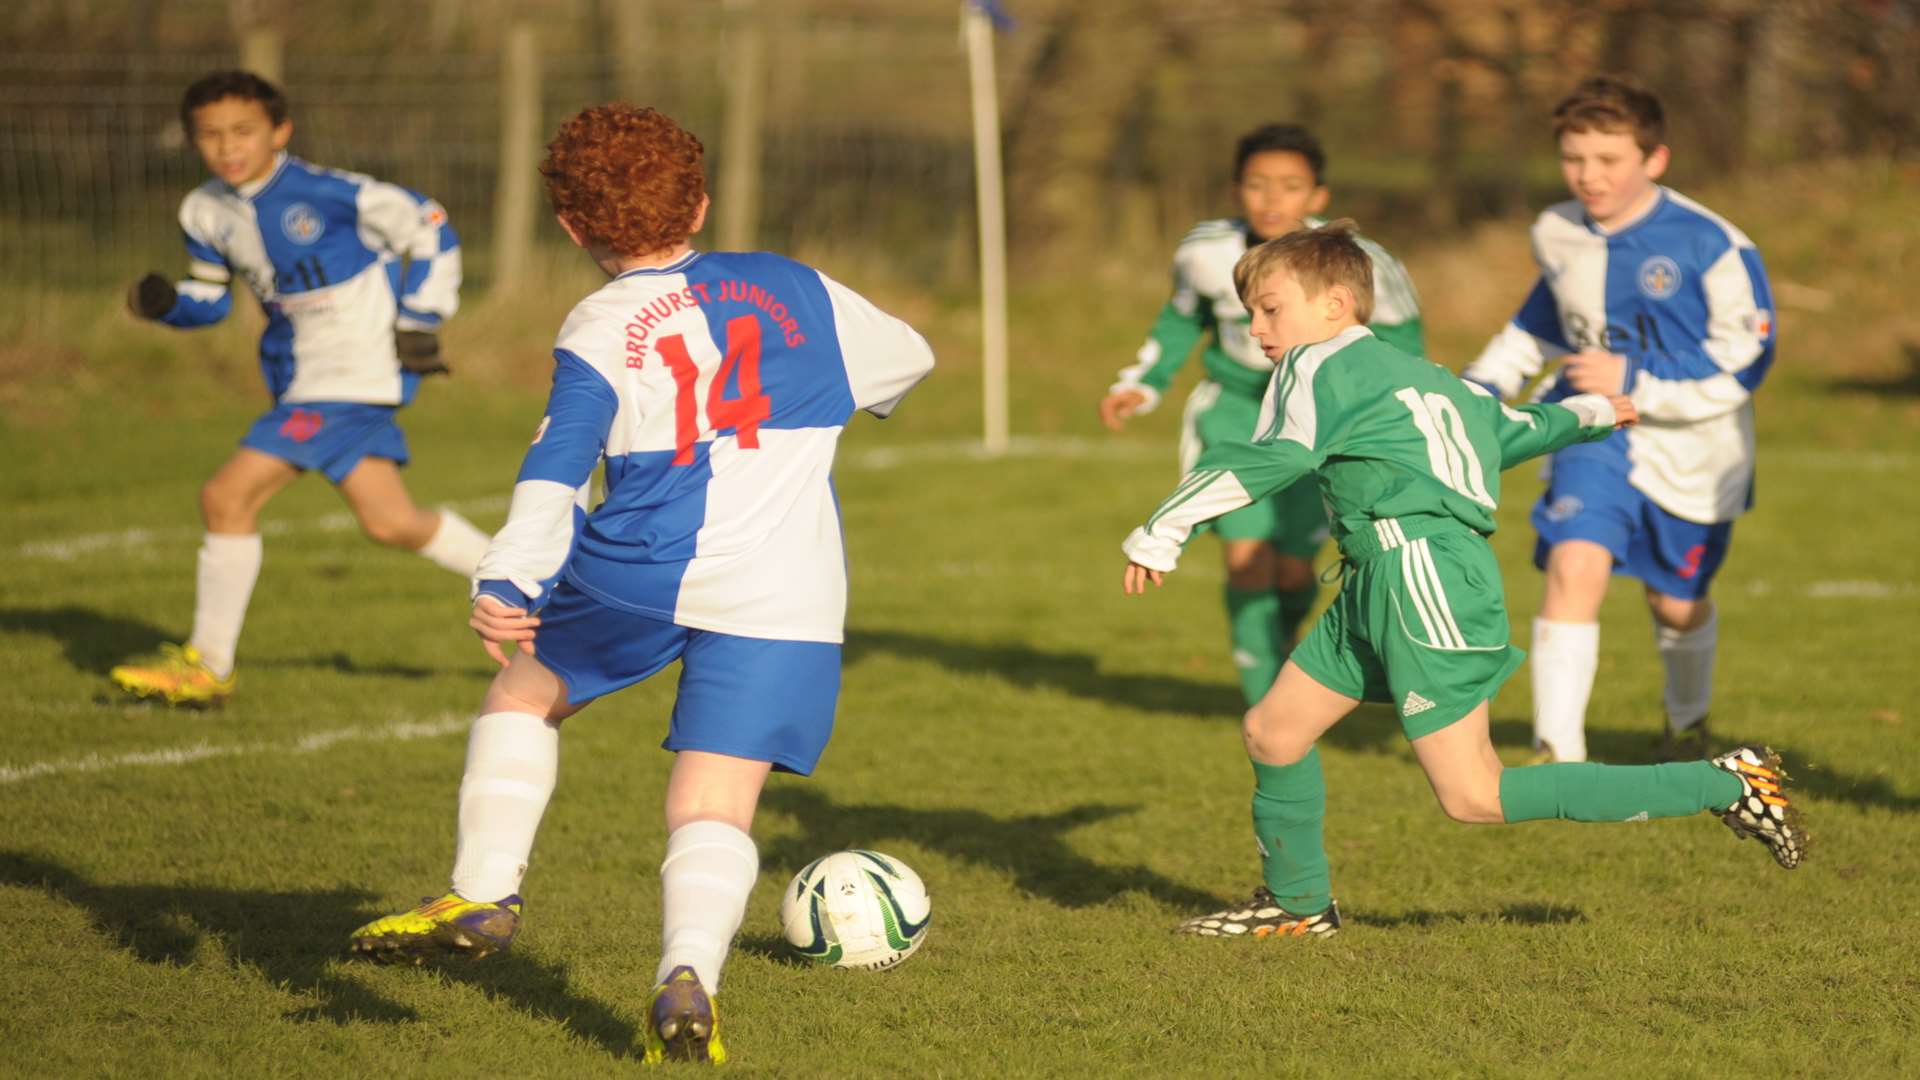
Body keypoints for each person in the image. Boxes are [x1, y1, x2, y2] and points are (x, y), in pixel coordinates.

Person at [346, 104, 935, 1065]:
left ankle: (487, 890)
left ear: (572, 228)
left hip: (640, 571)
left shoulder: (600, 322)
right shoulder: (797, 286)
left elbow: (559, 463)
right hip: (787, 596)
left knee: (527, 694)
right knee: (714, 804)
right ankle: (687, 972)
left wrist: (508, 569)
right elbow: (908, 354)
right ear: (700, 202)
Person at [1120, 222, 1802, 938]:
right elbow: (1510, 427)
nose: (1255, 327)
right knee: (1274, 731)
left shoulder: (1316, 367)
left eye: (1269, 308)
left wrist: (1163, 530)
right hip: (1387, 575)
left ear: (1336, 305)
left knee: (1473, 793)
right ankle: (1297, 905)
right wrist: (1591, 413)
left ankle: (1727, 782)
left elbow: (1272, 456)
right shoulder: (1424, 377)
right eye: (1249, 312)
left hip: (1417, 577)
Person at [109, 70, 490, 707]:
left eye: (243, 131)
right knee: (391, 522)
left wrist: (421, 318)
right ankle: (543, 587)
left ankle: (207, 667)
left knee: (226, 496)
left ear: (279, 131)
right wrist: (169, 303)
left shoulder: (331, 193)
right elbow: (211, 299)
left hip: (354, 375)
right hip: (300, 378)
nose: (228, 147)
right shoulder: (203, 211)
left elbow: (429, 225)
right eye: (210, 135)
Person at [1460, 76, 1776, 763]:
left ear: (1654, 160)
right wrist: (1477, 389)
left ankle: (1687, 723)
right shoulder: (1556, 229)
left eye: (1608, 160)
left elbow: (1747, 358)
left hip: (1697, 448)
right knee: (1574, 566)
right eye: (1574, 159)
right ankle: (1558, 755)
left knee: (1676, 603)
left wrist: (1638, 378)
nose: (1588, 176)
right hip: (1593, 427)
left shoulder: (1713, 245)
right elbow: (1542, 321)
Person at [1100, 124, 1425, 708]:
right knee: (1248, 561)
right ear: (1235, 189)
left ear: (1318, 197)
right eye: (1257, 185)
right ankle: (1267, 701)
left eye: (1290, 186)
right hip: (1235, 413)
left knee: (1296, 571)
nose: (1272, 200)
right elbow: (1179, 320)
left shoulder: (1360, 261)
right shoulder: (1205, 251)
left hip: (1316, 422)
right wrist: (1141, 385)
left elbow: (1403, 339)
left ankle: (1280, 652)